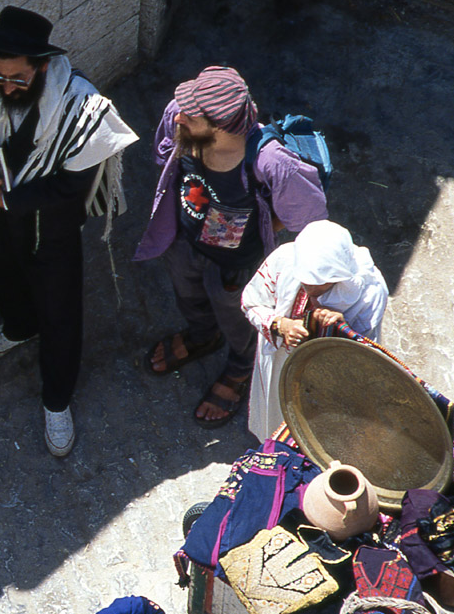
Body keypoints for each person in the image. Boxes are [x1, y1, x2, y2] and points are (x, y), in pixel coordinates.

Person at [0, 6, 138, 456]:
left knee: (59, 309)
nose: (6, 86)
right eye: (0, 77)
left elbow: (72, 185)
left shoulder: (79, 106)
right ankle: (18, 327)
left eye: (17, 78)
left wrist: (9, 199)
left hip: (49, 223)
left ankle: (57, 399)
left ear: (40, 66)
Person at [135, 66, 327, 428]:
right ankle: (202, 337)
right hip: (184, 242)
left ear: (222, 128)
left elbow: (312, 222)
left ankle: (239, 368)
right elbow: (163, 154)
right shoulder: (180, 120)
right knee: (188, 297)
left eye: (191, 116)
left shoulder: (271, 162)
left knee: (239, 320)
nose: (177, 116)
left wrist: (267, 226)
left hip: (238, 266)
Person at [241, 220, 388, 439]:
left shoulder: (371, 291)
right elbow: (251, 302)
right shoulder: (284, 259)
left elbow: (363, 354)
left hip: (327, 380)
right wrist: (280, 325)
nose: (308, 288)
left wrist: (341, 328)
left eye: (318, 283)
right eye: (304, 281)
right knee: (274, 415)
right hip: (279, 363)